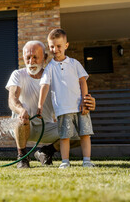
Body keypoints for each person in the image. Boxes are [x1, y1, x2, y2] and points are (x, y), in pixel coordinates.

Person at [5, 40, 96, 168]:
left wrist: (87, 101)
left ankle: (47, 151)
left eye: (35, 57)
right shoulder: (18, 74)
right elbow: (12, 99)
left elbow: (71, 95)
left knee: (77, 132)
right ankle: (22, 157)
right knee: (20, 118)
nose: (31, 62)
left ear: (45, 58)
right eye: (28, 58)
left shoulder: (53, 76)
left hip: (46, 127)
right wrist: (21, 110)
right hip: (24, 125)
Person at [37, 28, 95, 169]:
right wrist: (40, 106)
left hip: (79, 106)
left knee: (85, 134)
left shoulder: (74, 63)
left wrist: (85, 100)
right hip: (63, 109)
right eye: (52, 46)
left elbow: (83, 81)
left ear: (66, 46)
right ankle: (65, 161)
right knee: (64, 137)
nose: (55, 49)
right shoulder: (50, 67)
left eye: (58, 46)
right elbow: (44, 86)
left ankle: (87, 160)